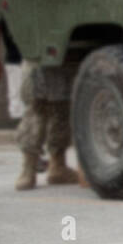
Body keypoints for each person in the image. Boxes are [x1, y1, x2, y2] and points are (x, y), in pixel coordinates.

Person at [12, 62, 79, 191]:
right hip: (38, 59)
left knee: (61, 110)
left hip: (61, 62)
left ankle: (58, 166)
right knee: (36, 109)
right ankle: (28, 168)